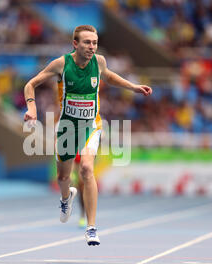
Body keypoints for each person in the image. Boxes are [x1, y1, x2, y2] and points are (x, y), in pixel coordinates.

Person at [23, 25, 152, 245]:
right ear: (76, 44)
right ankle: (66, 198)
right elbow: (31, 84)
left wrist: (133, 87)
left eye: (94, 42)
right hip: (66, 128)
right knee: (63, 178)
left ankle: (91, 227)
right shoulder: (61, 64)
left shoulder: (99, 62)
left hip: (92, 125)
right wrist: (32, 108)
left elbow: (109, 76)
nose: (91, 47)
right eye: (87, 42)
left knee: (86, 169)